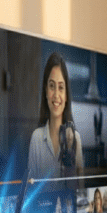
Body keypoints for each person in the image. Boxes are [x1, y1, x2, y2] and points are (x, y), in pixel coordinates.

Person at [27, 51, 83, 181]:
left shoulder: (76, 138)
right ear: (46, 91)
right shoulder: (36, 138)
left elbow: (80, 187)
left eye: (61, 87)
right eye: (52, 86)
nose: (56, 95)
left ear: (66, 95)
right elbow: (31, 187)